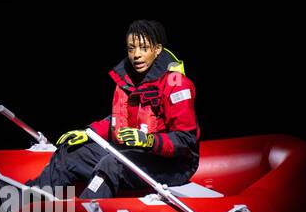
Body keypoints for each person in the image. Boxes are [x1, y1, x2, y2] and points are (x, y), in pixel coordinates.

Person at [26, 20, 200, 199]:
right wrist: (89, 132)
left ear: (157, 49)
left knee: (111, 164)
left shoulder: (177, 84)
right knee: (72, 151)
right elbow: (119, 119)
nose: (136, 55)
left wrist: (148, 141)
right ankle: (31, 198)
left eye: (143, 48)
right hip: (136, 152)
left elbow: (185, 140)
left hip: (172, 164)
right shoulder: (130, 79)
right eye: (131, 48)